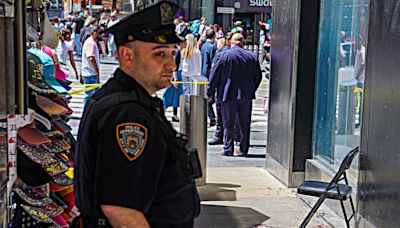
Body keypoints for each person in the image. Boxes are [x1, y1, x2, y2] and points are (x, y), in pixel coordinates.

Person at [74, 2, 200, 227]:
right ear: (127, 56)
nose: (171, 64)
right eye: (159, 54)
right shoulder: (127, 115)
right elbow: (121, 210)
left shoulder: (132, 101)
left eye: (172, 53)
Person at [207, 33, 262, 156]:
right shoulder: (252, 56)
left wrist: (210, 92)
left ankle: (228, 149)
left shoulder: (222, 56)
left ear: (230, 42)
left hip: (227, 93)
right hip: (245, 95)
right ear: (242, 42)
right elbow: (258, 76)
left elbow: (214, 75)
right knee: (245, 123)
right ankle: (243, 149)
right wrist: (252, 89)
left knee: (228, 123)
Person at [162, 39, 186, 122]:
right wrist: (176, 78)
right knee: (170, 95)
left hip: (176, 75)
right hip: (176, 76)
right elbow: (175, 66)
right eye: (184, 42)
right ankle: (163, 112)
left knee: (175, 96)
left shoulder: (175, 51)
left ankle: (174, 115)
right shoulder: (178, 52)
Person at [201, 29, 217, 126]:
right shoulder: (212, 47)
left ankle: (211, 117)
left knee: (207, 96)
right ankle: (212, 117)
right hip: (209, 74)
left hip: (203, 73)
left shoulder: (203, 46)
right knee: (211, 98)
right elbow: (213, 63)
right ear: (213, 36)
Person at [81, 26, 101, 104]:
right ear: (95, 33)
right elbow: (91, 58)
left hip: (89, 72)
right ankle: (86, 112)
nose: (100, 36)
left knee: (93, 95)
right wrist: (97, 71)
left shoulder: (89, 42)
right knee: (89, 96)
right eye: (99, 33)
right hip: (91, 73)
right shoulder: (91, 43)